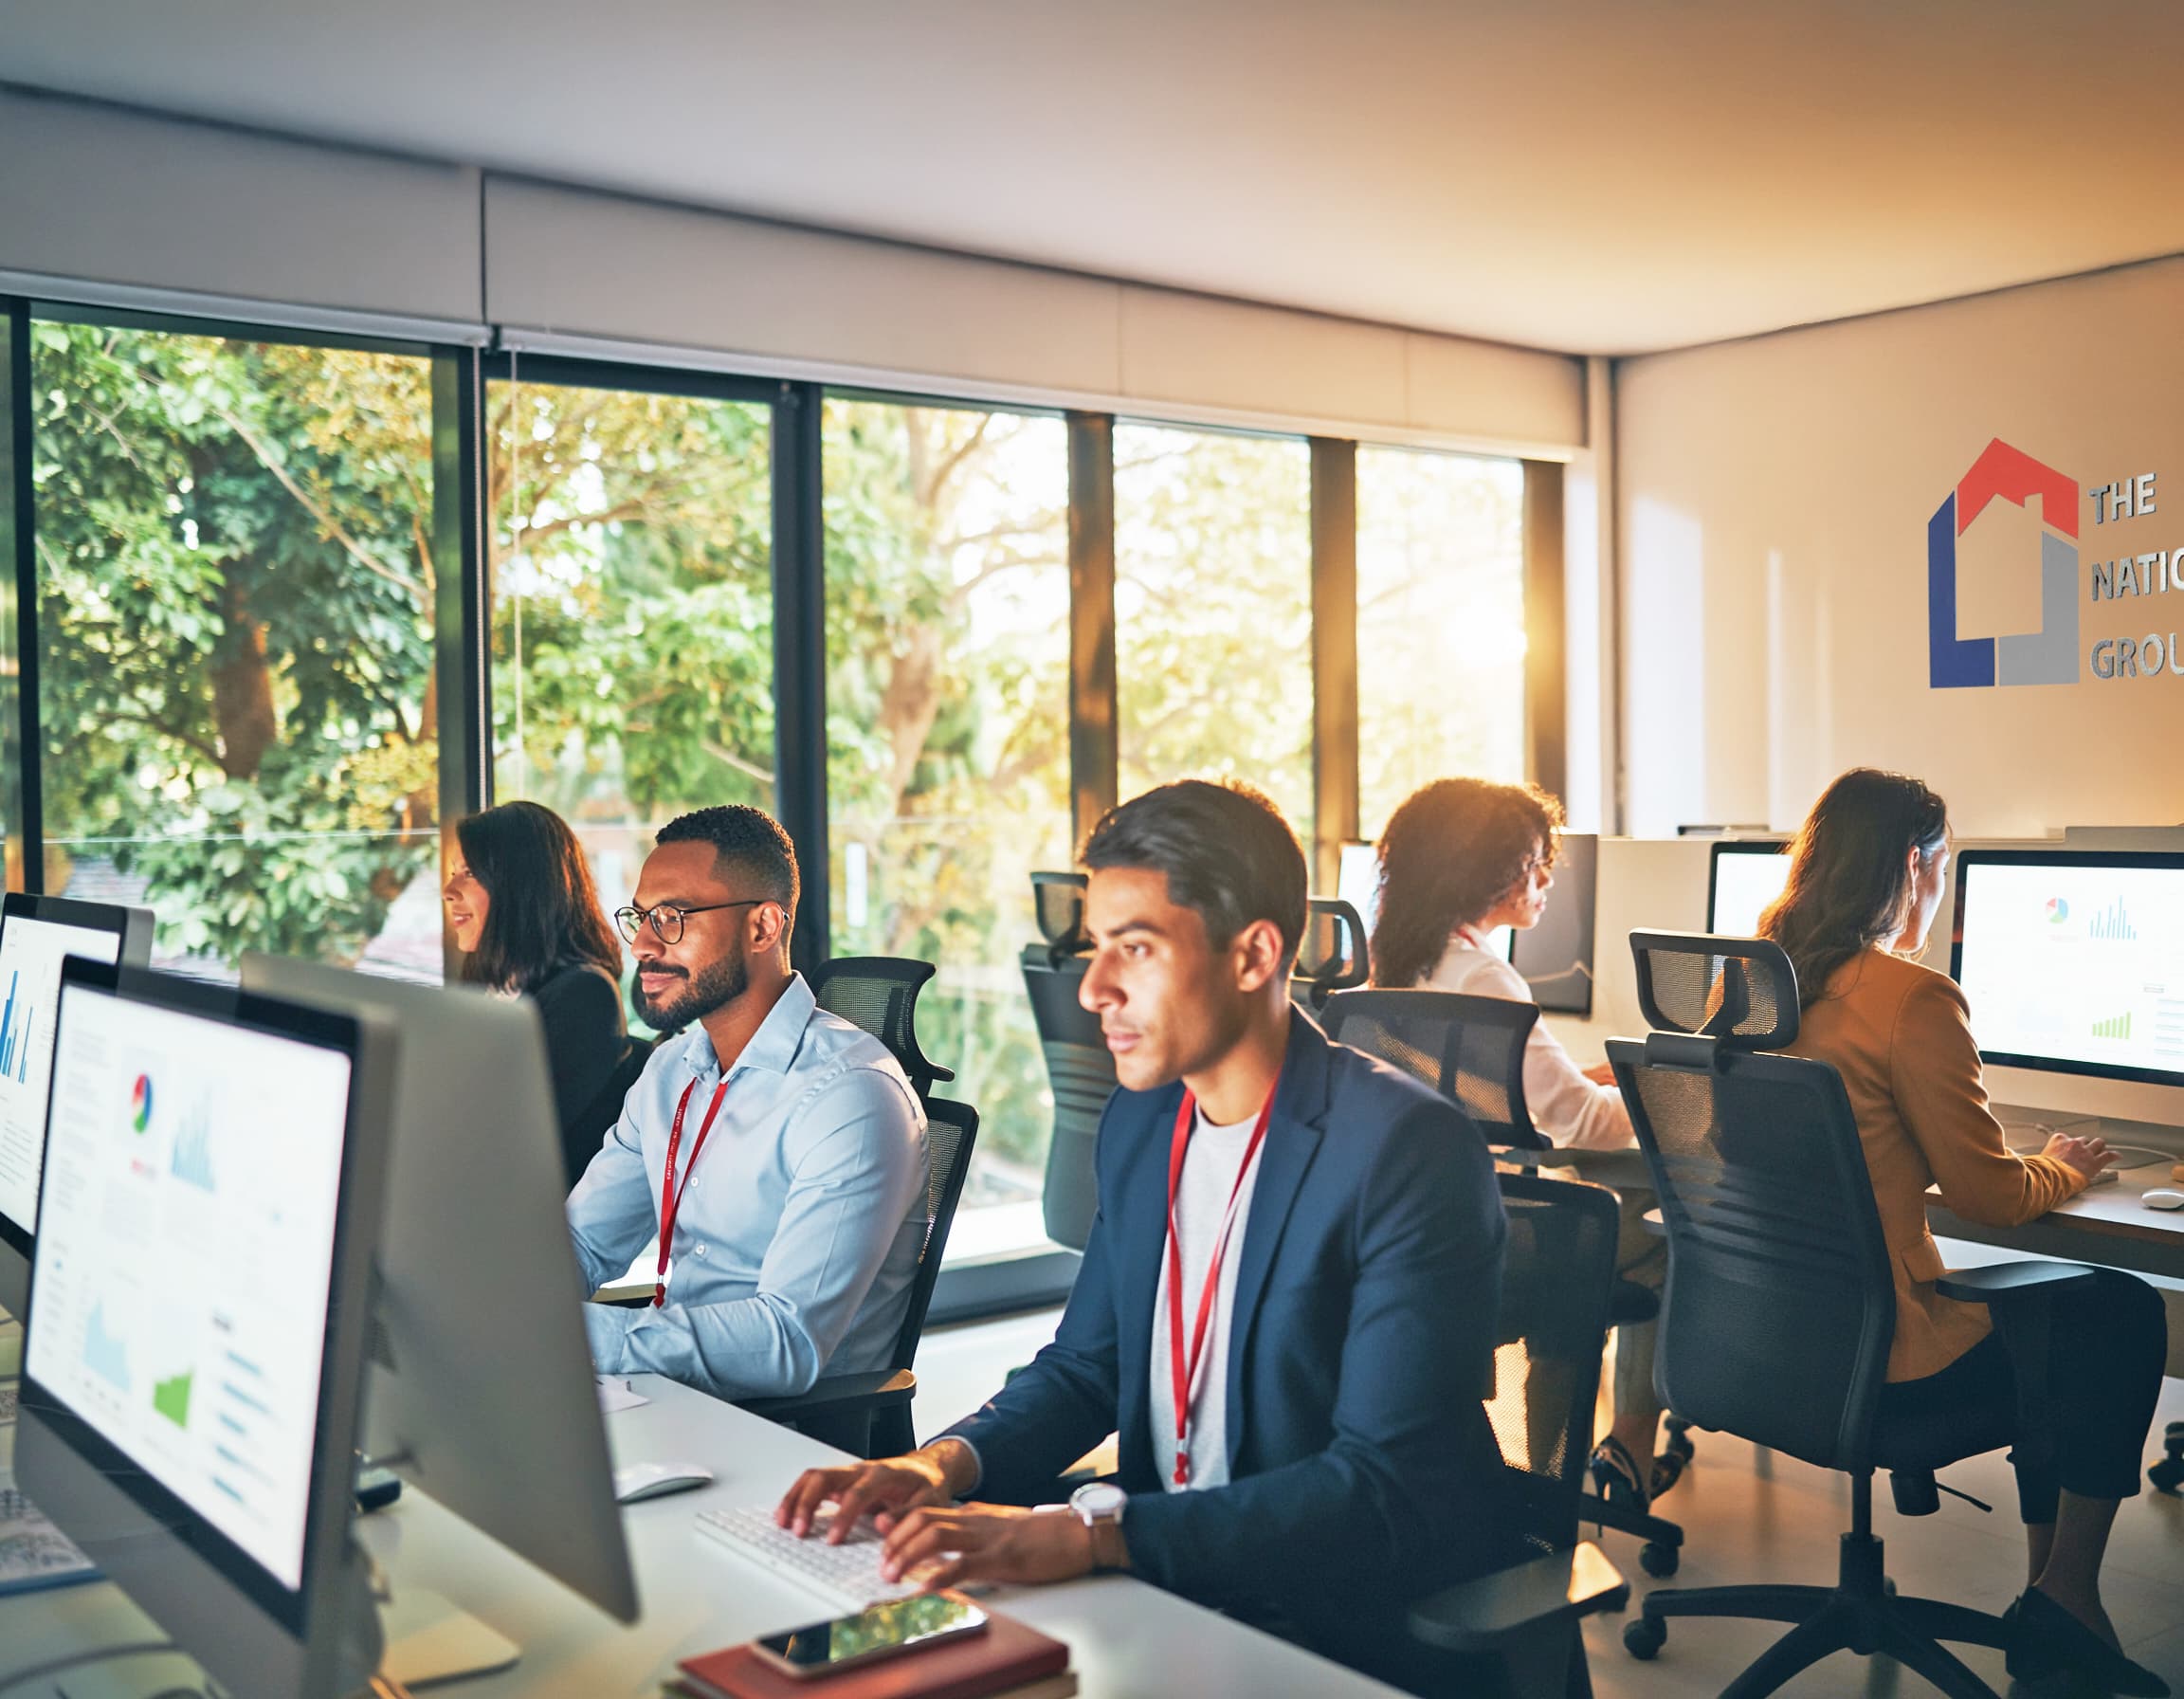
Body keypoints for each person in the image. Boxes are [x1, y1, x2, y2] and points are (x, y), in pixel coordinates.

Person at [775, 780, 1508, 1694]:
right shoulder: (1143, 1123)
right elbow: (1089, 1368)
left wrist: (1092, 1535)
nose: (1092, 989)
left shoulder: (1403, 1148)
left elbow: (1380, 1489)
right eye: (1094, 947)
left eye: (1136, 948)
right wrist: (941, 1466)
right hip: (1164, 1595)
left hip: (1335, 1623)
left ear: (1253, 955)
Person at [1762, 768, 2169, 1698]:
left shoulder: (1754, 979)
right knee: (2120, 1315)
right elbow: (1987, 1195)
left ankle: (2052, 1598)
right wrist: (2067, 1163)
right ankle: (2064, 1595)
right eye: (1941, 866)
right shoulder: (1913, 999)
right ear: (1915, 865)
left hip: (1773, 1350)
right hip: (1890, 1372)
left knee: (2052, 1317)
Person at [1370, 776, 1675, 1514]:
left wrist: (1578, 1078)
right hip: (1503, 1240)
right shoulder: (1487, 975)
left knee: (1578, 1236)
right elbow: (1583, 1125)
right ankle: (1624, 1451)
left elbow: (1489, 1091)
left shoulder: (1401, 964)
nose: (1545, 878)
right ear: (1486, 873)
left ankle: (1548, 1474)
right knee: (1676, 1235)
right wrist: (1659, 1093)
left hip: (1428, 1232)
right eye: (1534, 861)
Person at [565, 805, 929, 1402]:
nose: (643, 946)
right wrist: (493, 1310)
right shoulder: (669, 1073)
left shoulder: (852, 1096)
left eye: (673, 918)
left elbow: (788, 1340)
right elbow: (582, 1244)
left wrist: (576, 1338)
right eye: (640, 918)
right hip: (671, 1396)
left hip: (796, 1438)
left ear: (763, 927)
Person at [444, 799, 634, 1183]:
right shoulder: (485, 990)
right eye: (452, 873)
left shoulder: (584, 995)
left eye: (469, 873)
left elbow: (506, 1143)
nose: (449, 890)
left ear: (520, 885)